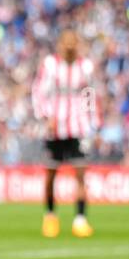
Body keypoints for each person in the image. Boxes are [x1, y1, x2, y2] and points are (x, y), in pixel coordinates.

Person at [33, 30, 97, 238]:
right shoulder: (50, 65)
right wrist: (45, 116)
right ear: (60, 44)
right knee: (51, 175)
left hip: (78, 128)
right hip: (54, 128)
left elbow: (90, 95)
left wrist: (93, 124)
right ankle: (50, 216)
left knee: (81, 174)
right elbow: (38, 92)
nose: (69, 46)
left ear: (77, 44)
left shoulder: (86, 67)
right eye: (66, 42)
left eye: (73, 42)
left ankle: (80, 219)